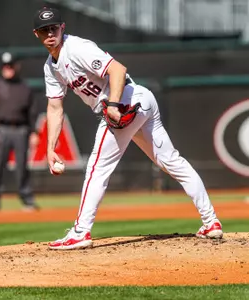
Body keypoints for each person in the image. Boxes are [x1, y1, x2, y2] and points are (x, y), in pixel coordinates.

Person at [32, 7, 223, 250]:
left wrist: (112, 104)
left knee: (97, 167)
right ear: (36, 34)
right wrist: (50, 148)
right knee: (171, 161)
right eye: (44, 30)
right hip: (139, 101)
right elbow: (55, 107)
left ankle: (81, 231)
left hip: (127, 102)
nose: (50, 33)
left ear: (63, 27)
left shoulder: (77, 48)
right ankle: (211, 222)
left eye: (54, 27)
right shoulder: (50, 67)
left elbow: (118, 69)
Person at [0, 52, 40, 211]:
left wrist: (34, 132)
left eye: (10, 66)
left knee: (22, 166)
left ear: (17, 66)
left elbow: (33, 112)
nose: (8, 69)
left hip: (21, 129)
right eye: (5, 66)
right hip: (2, 129)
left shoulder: (25, 87)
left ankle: (27, 198)